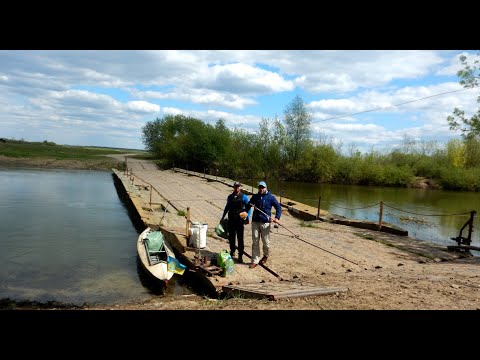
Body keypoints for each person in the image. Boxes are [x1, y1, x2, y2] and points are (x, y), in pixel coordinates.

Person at [245, 181, 282, 269]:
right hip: (255, 222)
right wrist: (245, 213)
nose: (261, 189)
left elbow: (278, 208)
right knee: (255, 242)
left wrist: (277, 218)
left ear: (266, 188)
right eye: (260, 187)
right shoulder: (255, 197)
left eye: (263, 187)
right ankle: (255, 261)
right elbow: (248, 206)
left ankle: (265, 255)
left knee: (266, 242)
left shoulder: (271, 197)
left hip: (265, 222)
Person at [221, 181, 252, 263]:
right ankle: (232, 252)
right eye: (236, 186)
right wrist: (222, 217)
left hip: (240, 221)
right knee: (231, 237)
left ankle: (240, 255)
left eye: (238, 186)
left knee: (240, 238)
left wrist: (247, 217)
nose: (237, 188)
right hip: (231, 220)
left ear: (240, 187)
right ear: (233, 187)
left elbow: (249, 208)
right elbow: (226, 207)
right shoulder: (230, 197)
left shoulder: (244, 197)